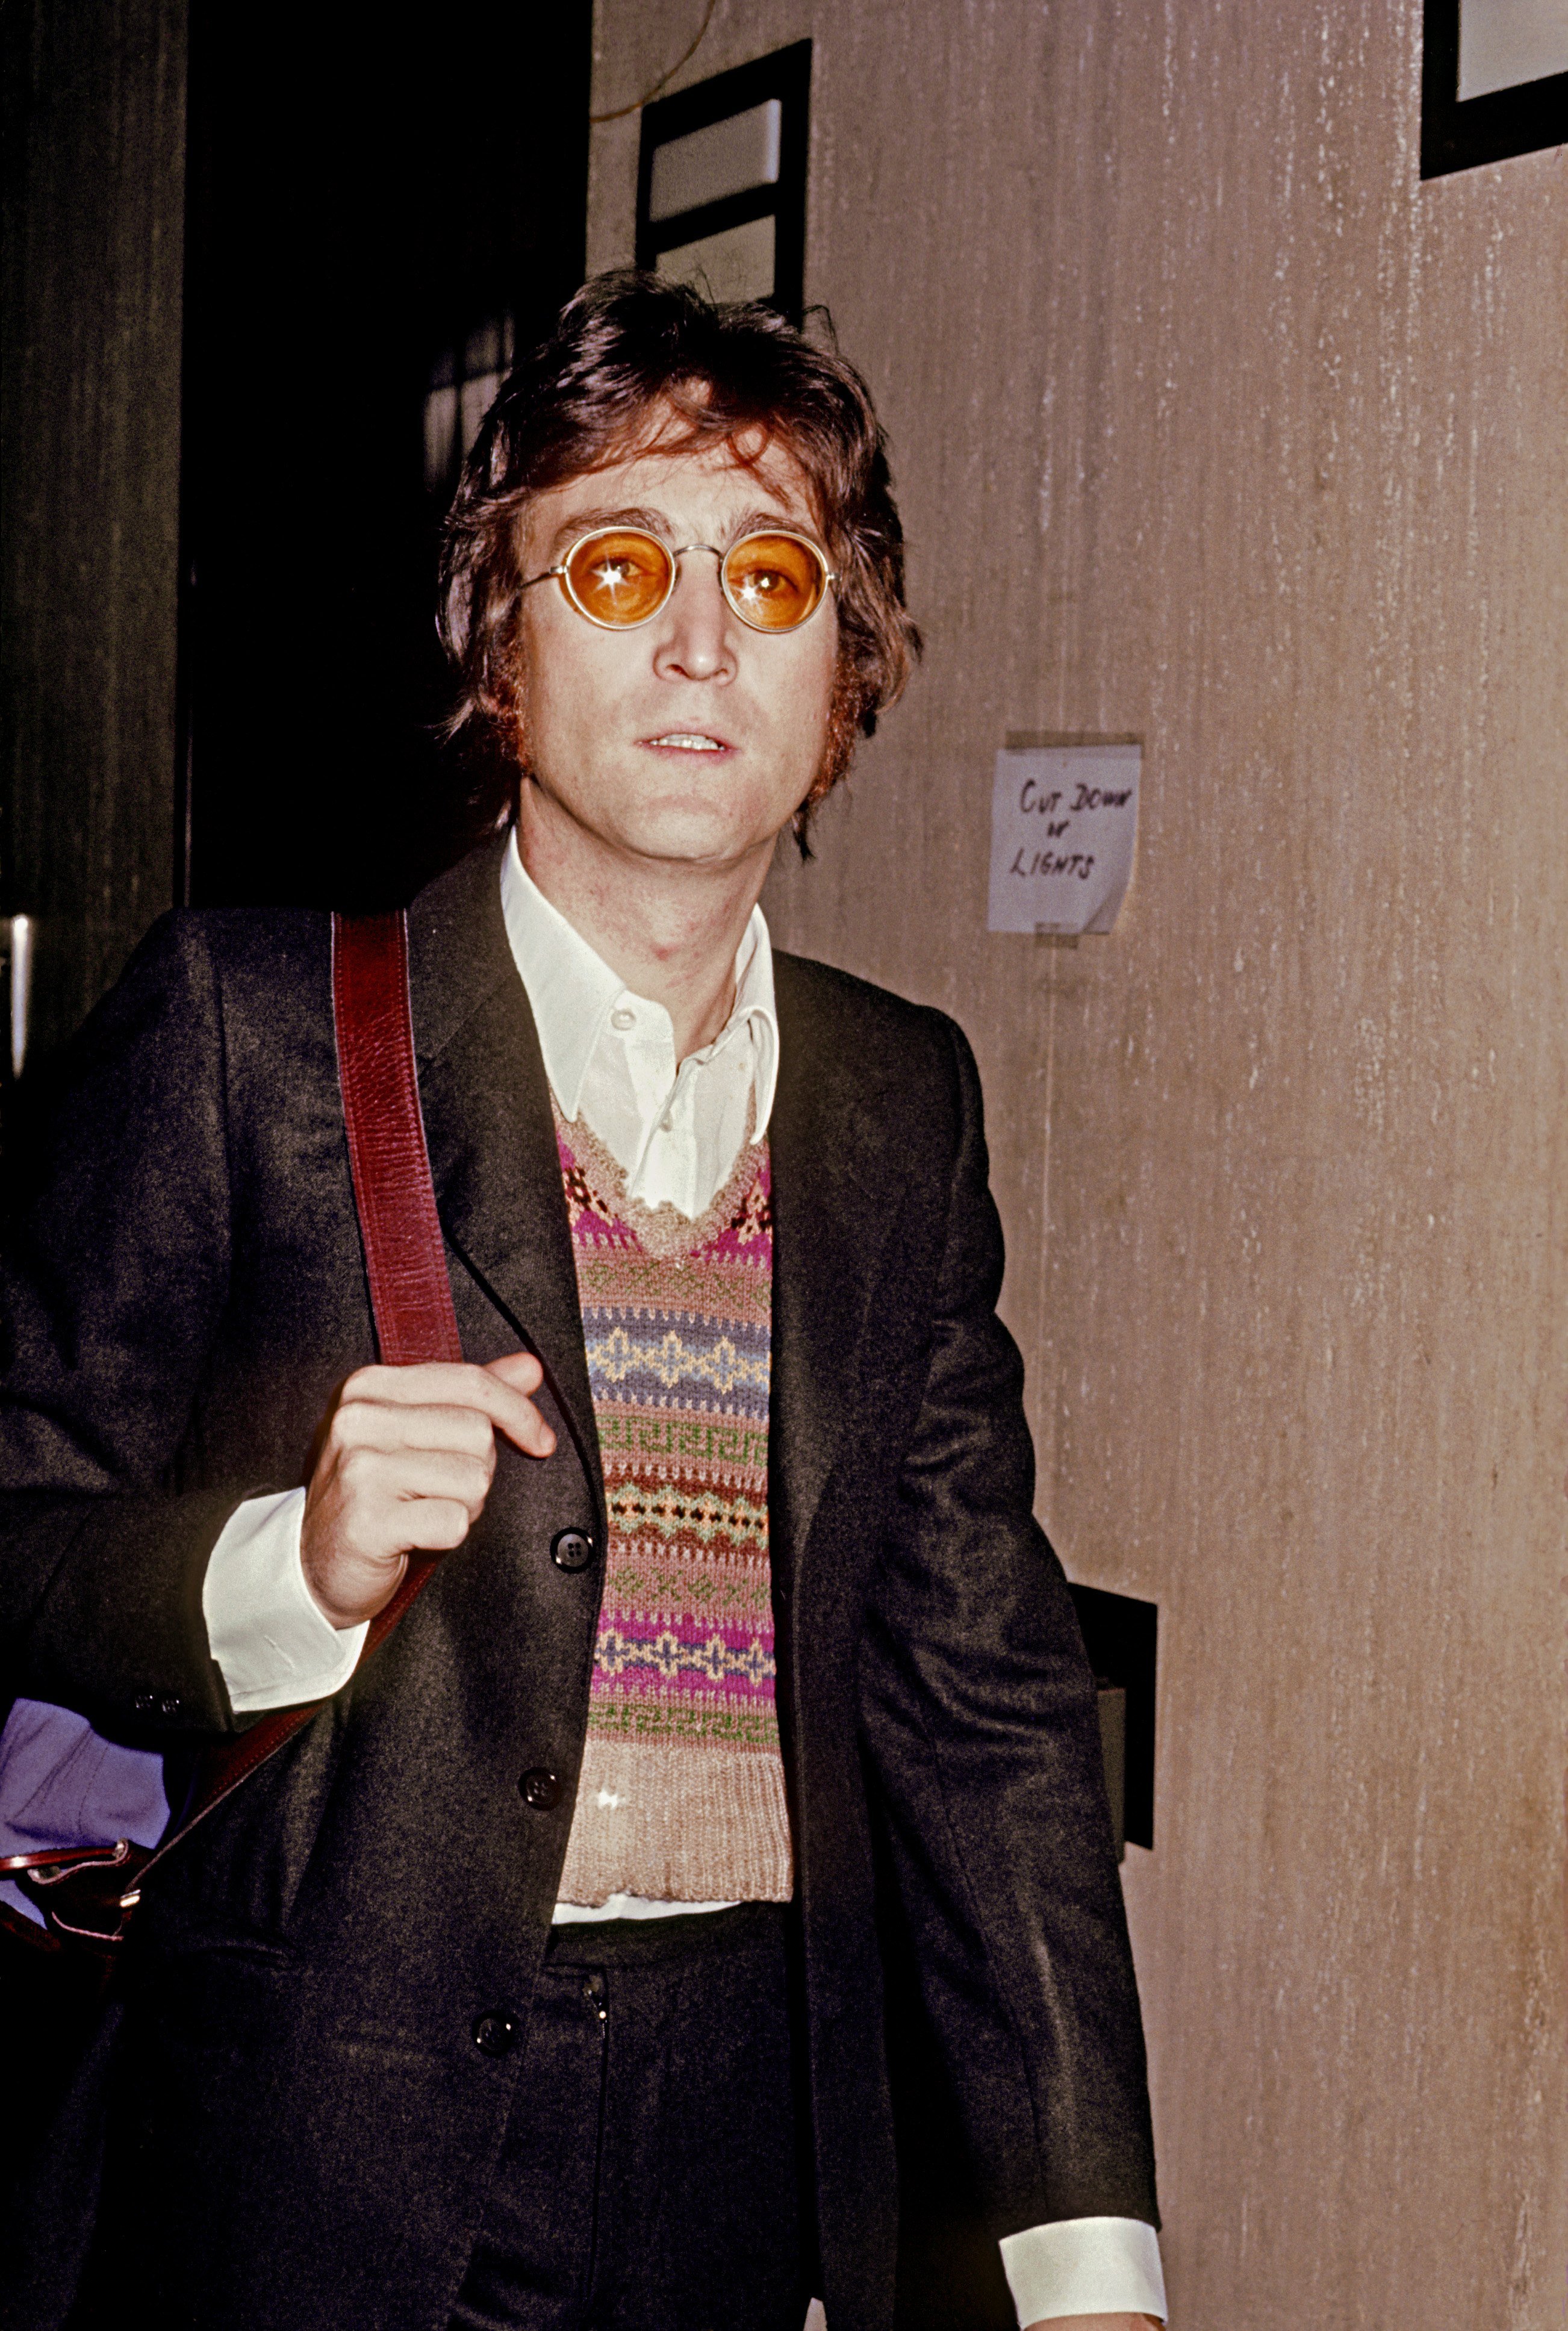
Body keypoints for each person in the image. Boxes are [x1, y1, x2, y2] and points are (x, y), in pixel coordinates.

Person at [0, 274, 1164, 2331]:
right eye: (616, 565)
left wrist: (1087, 2268)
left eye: (772, 574)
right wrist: (291, 1561)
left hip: (750, 2145)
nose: (701, 637)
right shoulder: (242, 1028)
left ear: (849, 667)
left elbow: (983, 1707)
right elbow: (14, 1530)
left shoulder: (901, 1100)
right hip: (314, 2149)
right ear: (502, 656)